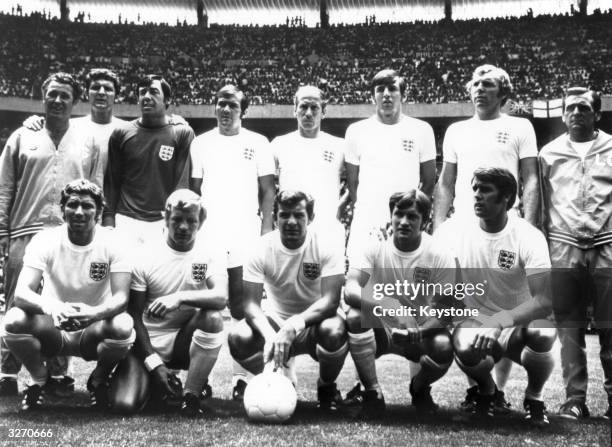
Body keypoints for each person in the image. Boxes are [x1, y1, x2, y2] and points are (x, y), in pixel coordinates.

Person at [0, 72, 99, 397]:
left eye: (65, 96)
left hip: (68, 236)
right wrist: (2, 229)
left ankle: (58, 375)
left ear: (74, 101)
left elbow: (95, 191)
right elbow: (5, 188)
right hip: (24, 230)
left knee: (61, 302)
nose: (58, 100)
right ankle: (6, 372)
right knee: (18, 300)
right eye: (52, 94)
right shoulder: (20, 136)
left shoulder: (87, 142)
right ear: (43, 96)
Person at [0, 180, 134, 410]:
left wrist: (93, 314)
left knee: (123, 325)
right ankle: (40, 380)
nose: (79, 212)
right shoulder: (45, 239)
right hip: (54, 327)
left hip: (94, 328)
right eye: (72, 205)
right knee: (13, 320)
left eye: (87, 206)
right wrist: (54, 308)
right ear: (62, 210)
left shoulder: (114, 241)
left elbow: (121, 298)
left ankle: (99, 380)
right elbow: (22, 293)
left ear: (99, 212)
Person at [438, 168, 556, 426]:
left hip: (516, 324)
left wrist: (501, 321)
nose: (477, 196)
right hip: (476, 322)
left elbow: (544, 301)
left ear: (507, 197)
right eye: (475, 189)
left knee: (544, 331)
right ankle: (488, 392)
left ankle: (534, 398)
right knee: (465, 342)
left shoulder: (529, 236)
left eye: (486, 190)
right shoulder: (454, 232)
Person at [190, 84, 275, 400]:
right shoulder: (201, 143)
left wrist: (266, 232)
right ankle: (199, 379)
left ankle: (243, 379)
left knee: (242, 305)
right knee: (202, 303)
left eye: (232, 105)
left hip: (245, 233)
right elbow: (194, 192)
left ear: (244, 110)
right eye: (220, 104)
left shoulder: (258, 143)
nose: (225, 110)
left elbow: (268, 191)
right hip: (210, 235)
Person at [228, 190, 348, 410]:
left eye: (299, 215)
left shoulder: (327, 244)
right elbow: (250, 305)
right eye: (284, 215)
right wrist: (271, 337)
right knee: (238, 337)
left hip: (315, 322)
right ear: (275, 218)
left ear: (310, 218)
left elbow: (331, 301)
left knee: (335, 331)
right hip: (275, 321)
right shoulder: (261, 247)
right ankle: (282, 379)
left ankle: (326, 386)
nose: (291, 221)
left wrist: (294, 326)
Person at [116, 189, 227, 416]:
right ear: (165, 219)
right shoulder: (144, 255)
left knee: (213, 318)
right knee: (124, 405)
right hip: (145, 343)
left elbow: (221, 297)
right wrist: (154, 363)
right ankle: (154, 382)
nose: (184, 227)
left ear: (201, 222)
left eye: (191, 221)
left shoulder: (209, 253)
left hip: (183, 341)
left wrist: (178, 298)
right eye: (177, 219)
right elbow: (133, 316)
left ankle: (191, 395)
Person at [344, 190, 455, 417]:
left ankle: (419, 388)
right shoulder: (374, 246)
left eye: (412, 217)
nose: (404, 222)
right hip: (383, 329)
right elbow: (351, 289)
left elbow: (448, 310)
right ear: (391, 216)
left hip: (418, 331)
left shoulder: (439, 252)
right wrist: (389, 305)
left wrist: (420, 332)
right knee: (355, 317)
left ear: (424, 222)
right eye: (399, 214)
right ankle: (373, 394)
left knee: (444, 347)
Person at [539, 87, 612, 420]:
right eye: (570, 108)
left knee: (610, 328)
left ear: (597, 113)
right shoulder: (549, 153)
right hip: (563, 245)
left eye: (584, 108)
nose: (576, 113)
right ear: (563, 113)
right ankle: (575, 399)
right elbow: (541, 205)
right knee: (570, 330)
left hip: (606, 244)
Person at [433, 64, 539, 231]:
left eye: (488, 84)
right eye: (476, 84)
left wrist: (530, 226)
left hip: (506, 222)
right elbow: (445, 183)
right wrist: (438, 227)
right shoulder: (456, 130)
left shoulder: (521, 126)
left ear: (502, 92)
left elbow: (531, 179)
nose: (480, 89)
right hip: (464, 221)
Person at [345, 69, 436, 258]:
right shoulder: (356, 131)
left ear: (403, 95)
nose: (386, 94)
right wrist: (367, 212)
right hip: (367, 223)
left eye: (392, 89)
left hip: (405, 222)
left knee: (405, 283)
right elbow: (353, 182)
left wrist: (410, 214)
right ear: (373, 96)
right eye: (380, 89)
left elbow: (428, 181)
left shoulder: (422, 130)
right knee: (362, 283)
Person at [103, 75, 194, 244]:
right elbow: (112, 183)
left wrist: (176, 221)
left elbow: (182, 185)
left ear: (167, 100)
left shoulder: (182, 134)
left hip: (163, 221)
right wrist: (108, 220)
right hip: (125, 220)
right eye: (142, 92)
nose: (146, 97)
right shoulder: (121, 133)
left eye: (153, 92)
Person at [271, 85, 346, 233]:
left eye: (314, 107)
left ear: (323, 111)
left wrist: (340, 208)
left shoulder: (339, 146)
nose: (308, 113)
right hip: (290, 231)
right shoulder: (278, 144)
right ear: (294, 110)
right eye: (303, 107)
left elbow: (357, 181)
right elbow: (265, 188)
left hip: (327, 229)